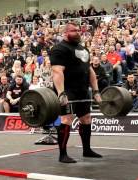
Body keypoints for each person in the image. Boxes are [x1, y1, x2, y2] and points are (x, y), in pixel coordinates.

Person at [50, 22, 102, 163]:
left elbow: (90, 70)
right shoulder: (58, 49)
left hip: (82, 90)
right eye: (74, 30)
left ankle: (87, 150)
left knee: (86, 119)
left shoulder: (83, 49)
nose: (78, 32)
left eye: (79, 30)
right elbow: (57, 72)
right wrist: (61, 93)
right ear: (65, 33)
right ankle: (63, 154)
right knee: (66, 119)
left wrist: (96, 91)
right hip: (68, 91)